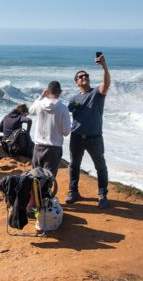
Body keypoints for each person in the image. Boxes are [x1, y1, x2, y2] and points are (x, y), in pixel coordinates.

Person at [66, 54, 111, 208]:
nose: (84, 77)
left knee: (100, 167)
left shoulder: (96, 93)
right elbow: (66, 114)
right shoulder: (74, 98)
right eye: (80, 76)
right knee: (74, 165)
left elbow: (106, 84)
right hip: (77, 137)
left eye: (86, 75)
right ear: (77, 82)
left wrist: (104, 66)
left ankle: (102, 194)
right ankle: (73, 192)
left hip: (94, 137)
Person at [28, 81, 71, 183]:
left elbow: (30, 111)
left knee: (35, 176)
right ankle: (45, 198)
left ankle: (35, 198)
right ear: (60, 92)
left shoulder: (39, 104)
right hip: (54, 147)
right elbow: (66, 131)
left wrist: (41, 97)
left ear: (47, 91)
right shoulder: (63, 108)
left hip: (38, 146)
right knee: (48, 179)